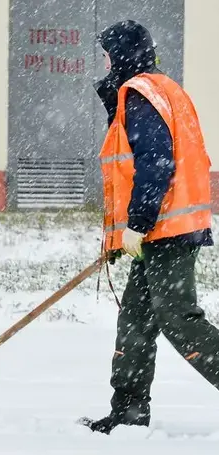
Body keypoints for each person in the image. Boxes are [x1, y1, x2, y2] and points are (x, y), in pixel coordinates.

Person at [80, 19, 219, 435]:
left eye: (106, 55)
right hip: (161, 230)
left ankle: (129, 410)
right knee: (136, 323)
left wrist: (137, 224)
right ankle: (127, 414)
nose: (103, 63)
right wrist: (125, 235)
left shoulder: (140, 95)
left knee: (179, 320)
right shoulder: (161, 89)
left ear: (120, 55)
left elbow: (155, 163)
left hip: (167, 230)